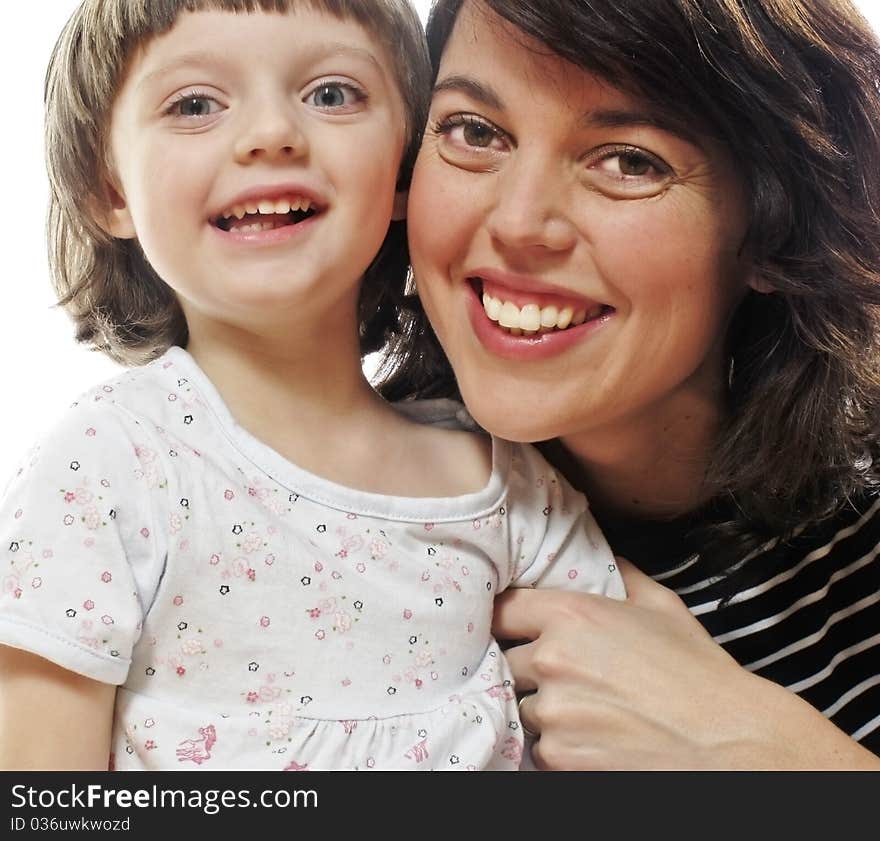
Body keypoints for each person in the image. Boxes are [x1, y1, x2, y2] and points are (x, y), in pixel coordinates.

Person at [0, 0, 624, 771]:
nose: (272, 134)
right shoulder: (103, 471)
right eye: (195, 104)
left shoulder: (506, 483)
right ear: (112, 191)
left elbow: (637, 722)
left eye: (331, 94)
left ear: (404, 171)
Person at [381, 0, 880, 768]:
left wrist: (771, 759)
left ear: (776, 229)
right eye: (474, 132)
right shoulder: (306, 530)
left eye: (628, 160)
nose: (519, 222)